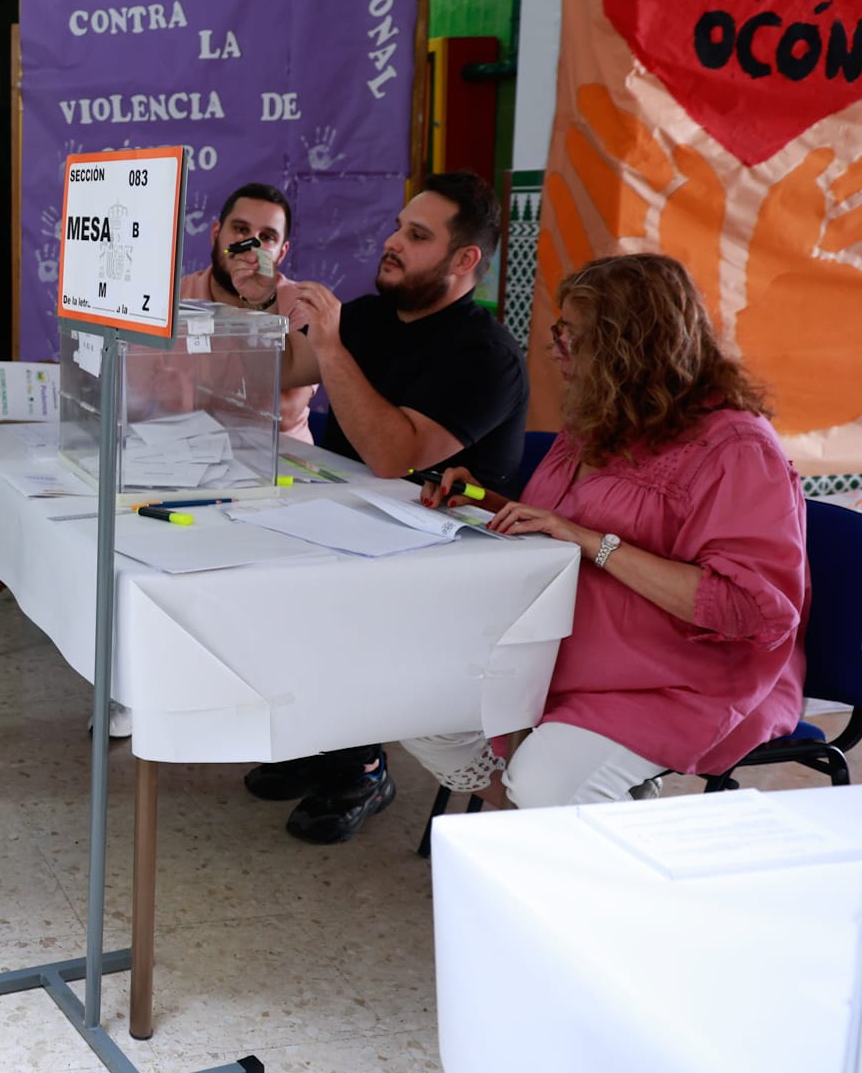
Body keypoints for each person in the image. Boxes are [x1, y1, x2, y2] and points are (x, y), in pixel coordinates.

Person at [399, 253, 808, 807]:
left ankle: (571, 832)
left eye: (573, 338)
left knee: (548, 782)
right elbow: (559, 524)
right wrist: (478, 499)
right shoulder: (603, 413)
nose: (556, 351)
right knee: (410, 702)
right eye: (558, 331)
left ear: (630, 349)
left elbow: (752, 610)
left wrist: (593, 545)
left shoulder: (736, 448)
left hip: (676, 678)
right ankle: (562, 829)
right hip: (562, 649)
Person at [245, 170, 528, 843]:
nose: (392, 242)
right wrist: (262, 309)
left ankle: (364, 765)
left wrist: (334, 347)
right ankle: (327, 742)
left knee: (331, 599)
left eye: (417, 235)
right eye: (400, 226)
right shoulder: (371, 317)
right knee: (263, 572)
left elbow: (391, 455)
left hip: (447, 565)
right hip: (354, 532)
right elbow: (275, 374)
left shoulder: (486, 356)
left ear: (465, 262)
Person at [176, 182, 316, 443]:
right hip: (188, 452)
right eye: (241, 230)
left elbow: (283, 413)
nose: (250, 245)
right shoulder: (175, 299)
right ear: (215, 233)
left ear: (282, 253)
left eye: (267, 238)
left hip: (283, 460)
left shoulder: (303, 306)